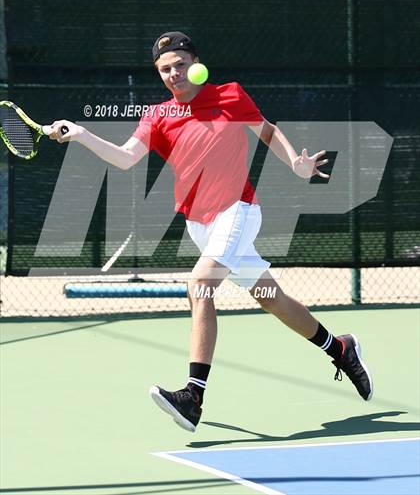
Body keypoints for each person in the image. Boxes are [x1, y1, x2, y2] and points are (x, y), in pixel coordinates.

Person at [49, 31, 373, 433]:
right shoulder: (157, 116)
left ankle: (193, 396)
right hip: (200, 224)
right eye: (165, 69)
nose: (173, 74)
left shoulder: (230, 97)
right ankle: (340, 349)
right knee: (271, 297)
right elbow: (125, 158)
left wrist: (295, 164)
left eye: (180, 65)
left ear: (196, 63)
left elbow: (267, 130)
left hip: (237, 211)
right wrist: (81, 134)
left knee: (200, 283)